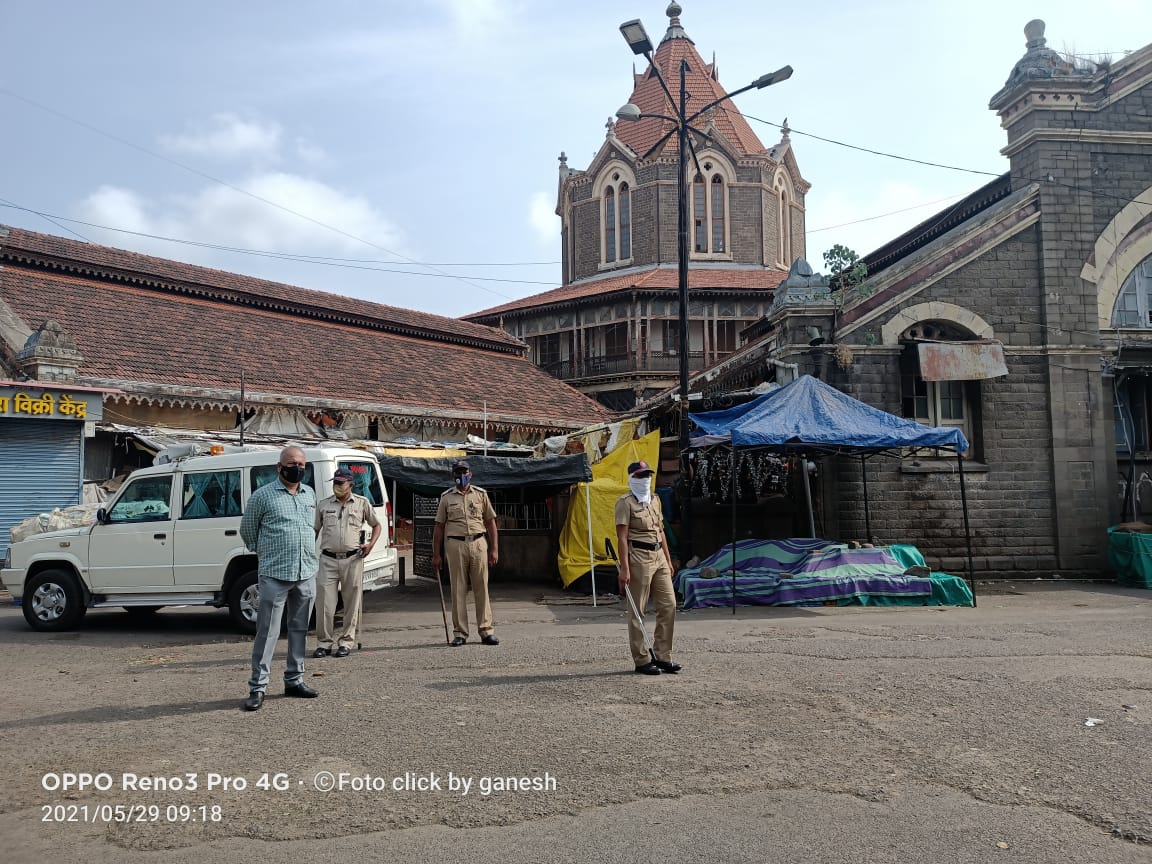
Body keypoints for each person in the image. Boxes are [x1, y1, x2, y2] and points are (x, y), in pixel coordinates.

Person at [239, 446, 320, 711]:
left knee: (299, 630)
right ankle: (258, 687)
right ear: (279, 467)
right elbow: (248, 530)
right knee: (268, 632)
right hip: (275, 574)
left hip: (305, 572)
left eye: (301, 463)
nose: (297, 467)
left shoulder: (309, 494)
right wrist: (267, 553)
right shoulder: (263, 496)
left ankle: (294, 680)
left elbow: (312, 529)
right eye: (291, 463)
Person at [615, 460, 681, 675]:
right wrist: (624, 569)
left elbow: (661, 531)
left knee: (669, 605)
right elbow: (622, 538)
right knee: (637, 610)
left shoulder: (655, 500)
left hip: (659, 555)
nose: (645, 480)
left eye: (647, 476)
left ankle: (663, 656)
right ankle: (642, 659)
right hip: (638, 556)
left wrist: (669, 561)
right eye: (641, 476)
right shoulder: (625, 502)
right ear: (632, 478)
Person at [313, 468, 381, 658]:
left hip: (353, 559)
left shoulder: (362, 503)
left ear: (350, 485)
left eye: (341, 483)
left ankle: (346, 642)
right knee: (325, 604)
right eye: (335, 482)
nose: (337, 486)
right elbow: (314, 530)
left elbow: (377, 525)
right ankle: (324, 643)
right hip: (327, 559)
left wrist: (370, 545)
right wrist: (308, 554)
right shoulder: (324, 505)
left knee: (352, 603)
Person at [431, 460, 500, 647]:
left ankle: (486, 631)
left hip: (478, 543)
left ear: (471, 473)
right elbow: (439, 527)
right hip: (456, 545)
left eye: (464, 471)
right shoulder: (446, 498)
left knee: (482, 589)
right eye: (458, 472)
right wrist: (436, 555)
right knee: (458, 590)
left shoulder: (481, 494)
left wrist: (494, 549)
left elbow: (491, 523)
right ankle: (460, 632)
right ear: (453, 476)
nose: (461, 475)